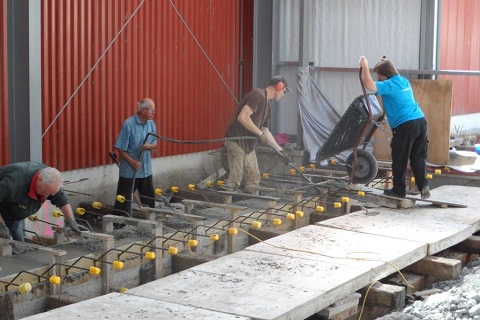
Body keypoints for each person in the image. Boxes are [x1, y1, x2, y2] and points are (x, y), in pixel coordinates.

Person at [359, 56, 430, 199]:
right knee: (418, 157)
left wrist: (364, 66)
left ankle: (398, 190)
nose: (377, 78)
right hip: (420, 121)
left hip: (405, 125)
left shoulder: (389, 85)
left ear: (384, 75)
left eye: (378, 74)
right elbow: (387, 74)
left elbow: (369, 85)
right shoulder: (403, 81)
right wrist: (384, 62)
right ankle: (424, 187)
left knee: (400, 158)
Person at [224, 75, 291, 193]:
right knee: (236, 179)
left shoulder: (268, 107)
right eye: (284, 91)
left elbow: (265, 131)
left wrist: (280, 151)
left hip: (248, 144)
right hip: (236, 139)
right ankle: (225, 207)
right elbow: (243, 117)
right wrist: (260, 134)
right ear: (279, 87)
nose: (283, 95)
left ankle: (250, 204)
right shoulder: (258, 96)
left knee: (254, 178)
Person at [0, 161, 82, 242]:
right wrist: (1, 226)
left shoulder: (50, 180)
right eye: (46, 192)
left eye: (50, 193)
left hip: (13, 213)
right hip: (3, 208)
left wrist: (71, 221)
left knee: (18, 246)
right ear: (39, 179)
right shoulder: (13, 183)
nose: (47, 196)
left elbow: (62, 200)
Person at [113, 98, 157, 215]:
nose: (154, 112)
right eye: (151, 110)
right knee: (123, 201)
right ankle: (119, 225)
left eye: (154, 110)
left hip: (145, 170)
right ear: (142, 110)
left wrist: (149, 146)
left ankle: (151, 225)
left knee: (149, 200)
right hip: (130, 171)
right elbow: (120, 148)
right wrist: (132, 162)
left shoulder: (151, 124)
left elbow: (155, 144)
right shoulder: (128, 124)